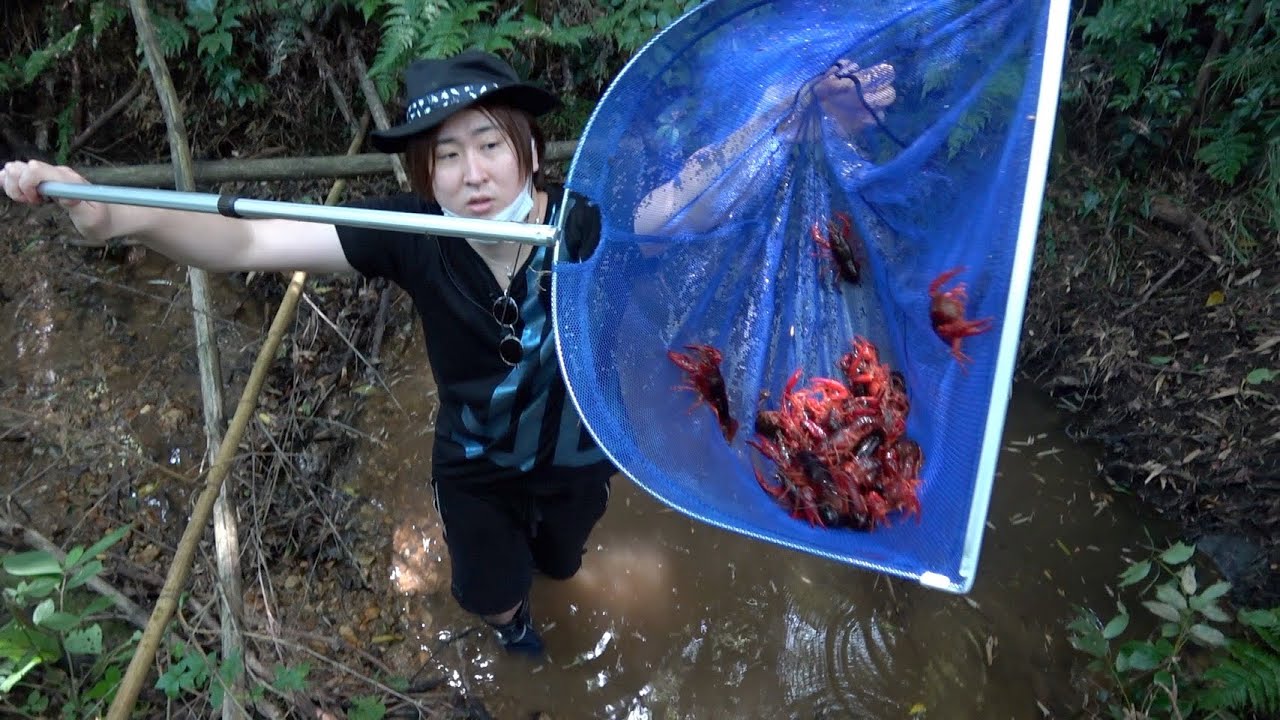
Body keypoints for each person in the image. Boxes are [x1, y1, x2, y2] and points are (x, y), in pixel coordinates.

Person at [1, 50, 895, 657]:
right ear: (422, 174)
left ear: (528, 150)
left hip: (582, 454)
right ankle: (512, 632)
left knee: (561, 562)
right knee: (488, 592)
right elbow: (247, 243)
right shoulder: (408, 237)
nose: (473, 174)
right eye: (447, 156)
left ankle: (548, 585)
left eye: (490, 145)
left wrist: (796, 116)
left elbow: (696, 194)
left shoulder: (588, 227)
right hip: (471, 461)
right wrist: (114, 214)